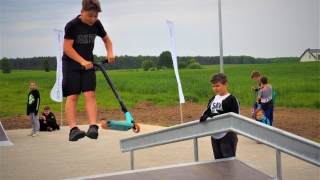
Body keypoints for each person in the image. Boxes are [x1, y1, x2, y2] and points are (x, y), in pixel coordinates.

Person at [62, 0, 116, 141]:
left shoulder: (96, 25)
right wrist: (81, 61)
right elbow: (67, 48)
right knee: (73, 96)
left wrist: (110, 53)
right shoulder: (72, 25)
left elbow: (107, 40)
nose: (93, 19)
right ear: (82, 12)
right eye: (90, 15)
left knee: (90, 94)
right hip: (71, 65)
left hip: (88, 65)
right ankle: (73, 129)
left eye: (95, 16)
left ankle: (93, 127)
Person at [199, 73, 240, 159]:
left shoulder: (232, 99)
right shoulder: (213, 99)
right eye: (213, 86)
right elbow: (206, 112)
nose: (215, 88)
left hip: (227, 135)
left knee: (228, 162)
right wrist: (206, 117)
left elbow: (236, 118)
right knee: (218, 162)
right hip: (214, 134)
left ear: (225, 84)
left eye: (217, 86)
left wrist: (217, 115)